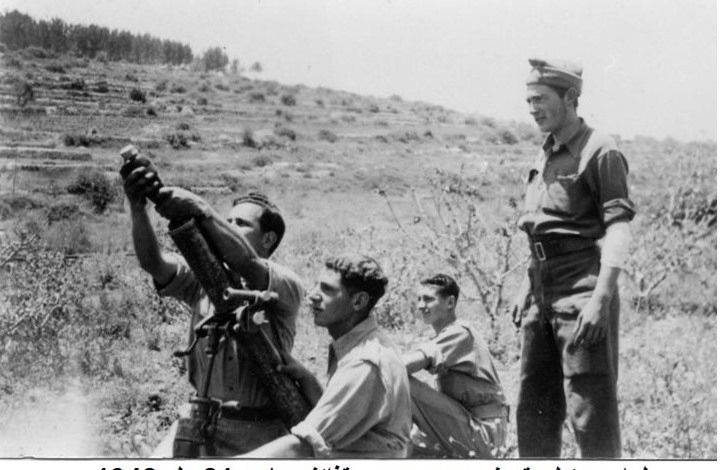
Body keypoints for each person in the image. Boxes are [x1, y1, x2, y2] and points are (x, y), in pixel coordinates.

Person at [120, 156, 305, 456]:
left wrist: (200, 208)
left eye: (240, 224)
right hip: (201, 422)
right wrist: (138, 207)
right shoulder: (204, 278)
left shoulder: (284, 286)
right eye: (227, 221)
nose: (227, 227)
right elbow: (154, 263)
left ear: (268, 239)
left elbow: (247, 262)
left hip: (259, 433)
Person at [510, 58, 635, 458]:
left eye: (541, 99)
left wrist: (601, 298)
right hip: (540, 289)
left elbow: (618, 227)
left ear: (570, 97)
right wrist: (527, 284)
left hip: (581, 288)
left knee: (590, 409)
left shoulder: (600, 149)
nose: (533, 108)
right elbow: (543, 227)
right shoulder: (545, 151)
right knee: (534, 406)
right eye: (529, 100)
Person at [241, 253, 412, 458]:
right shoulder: (362, 344)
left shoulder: (365, 363)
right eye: (316, 286)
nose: (312, 295)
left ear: (358, 301)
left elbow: (304, 445)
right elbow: (344, 414)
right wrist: (307, 379)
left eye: (327, 289)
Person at [402, 274, 508, 458]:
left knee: (399, 380)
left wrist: (364, 365)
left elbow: (403, 365)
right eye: (419, 299)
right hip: (468, 425)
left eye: (428, 299)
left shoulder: (460, 333)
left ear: (450, 302)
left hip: (483, 431)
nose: (420, 305)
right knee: (401, 449)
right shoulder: (445, 335)